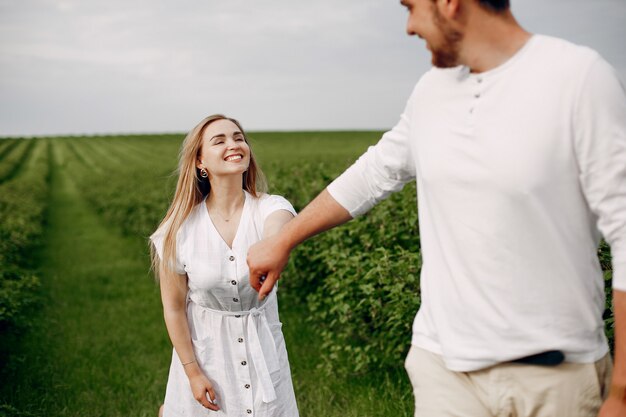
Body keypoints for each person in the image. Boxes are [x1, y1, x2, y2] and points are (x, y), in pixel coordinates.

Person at [246, 1, 626, 416]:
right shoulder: (432, 91)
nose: (409, 27)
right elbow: (374, 174)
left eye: (411, 7)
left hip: (554, 376)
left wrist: (621, 391)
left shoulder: (578, 79)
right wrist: (284, 238)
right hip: (442, 369)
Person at [150, 114, 299, 417]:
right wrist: (192, 373)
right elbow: (174, 308)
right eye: (219, 141)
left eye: (238, 137)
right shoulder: (177, 230)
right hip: (207, 356)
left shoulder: (271, 207)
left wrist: (271, 245)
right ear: (200, 162)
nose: (234, 144)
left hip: (263, 352)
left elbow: (280, 228)